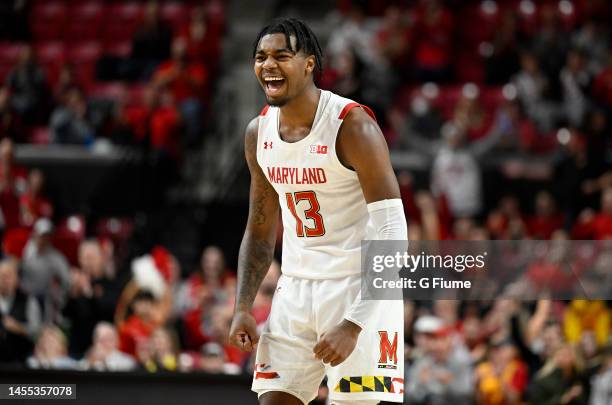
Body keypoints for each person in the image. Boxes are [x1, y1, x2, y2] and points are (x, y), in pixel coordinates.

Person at [229, 18, 407, 405]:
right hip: (294, 289)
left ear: (309, 64)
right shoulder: (258, 133)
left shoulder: (352, 126)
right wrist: (243, 306)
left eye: (281, 55)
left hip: (359, 291)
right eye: (260, 57)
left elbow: (394, 232)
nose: (268, 65)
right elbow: (259, 230)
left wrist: (355, 323)